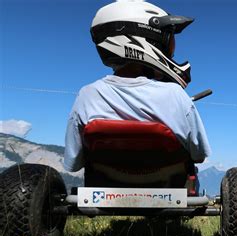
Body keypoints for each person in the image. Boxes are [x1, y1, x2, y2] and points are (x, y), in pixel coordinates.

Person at [64, 0, 211, 172]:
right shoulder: (176, 94)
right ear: (147, 38)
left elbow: (73, 163)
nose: (171, 50)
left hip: (103, 193)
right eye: (167, 40)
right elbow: (199, 155)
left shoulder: (87, 95)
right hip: (169, 193)